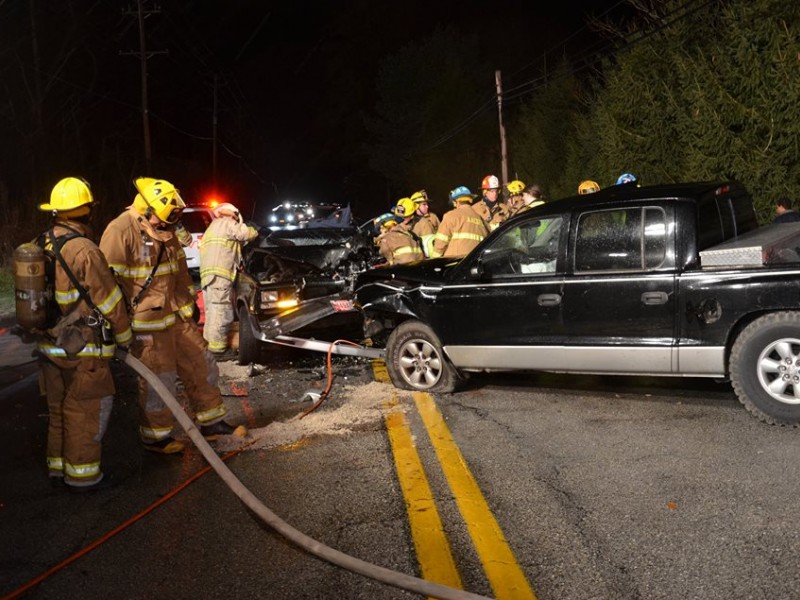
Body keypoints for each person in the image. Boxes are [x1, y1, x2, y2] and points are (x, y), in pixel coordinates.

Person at [100, 177, 245, 455]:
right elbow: (107, 282)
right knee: (160, 380)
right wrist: (117, 324)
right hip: (146, 324)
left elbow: (179, 270)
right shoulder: (120, 230)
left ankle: (212, 423)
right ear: (147, 210)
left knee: (202, 364)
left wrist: (188, 301)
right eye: (163, 221)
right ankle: (156, 436)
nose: (167, 227)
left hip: (176, 315)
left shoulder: (164, 229)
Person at [33, 177, 132, 492]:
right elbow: (110, 301)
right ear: (85, 210)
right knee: (84, 411)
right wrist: (125, 337)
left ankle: (58, 469)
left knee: (58, 410)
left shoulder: (40, 243)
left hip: (49, 345)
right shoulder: (85, 249)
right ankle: (83, 477)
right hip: (83, 349)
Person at [199, 202, 259, 359]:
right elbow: (246, 234)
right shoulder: (227, 223)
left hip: (208, 276)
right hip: (220, 275)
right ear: (234, 215)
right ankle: (218, 351)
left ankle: (210, 347)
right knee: (221, 311)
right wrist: (255, 230)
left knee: (212, 313)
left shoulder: (212, 228)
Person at [431, 186, 489, 258]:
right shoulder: (481, 219)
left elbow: (441, 241)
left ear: (457, 202)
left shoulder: (451, 215)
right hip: (474, 261)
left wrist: (434, 259)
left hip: (456, 261)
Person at [378, 197, 425, 265]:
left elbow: (384, 252)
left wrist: (382, 239)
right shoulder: (408, 233)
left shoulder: (421, 224)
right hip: (418, 266)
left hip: (403, 268)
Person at [408, 190, 440, 257]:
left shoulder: (433, 217)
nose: (427, 206)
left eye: (427, 204)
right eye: (424, 204)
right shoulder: (409, 221)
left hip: (433, 253)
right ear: (416, 206)